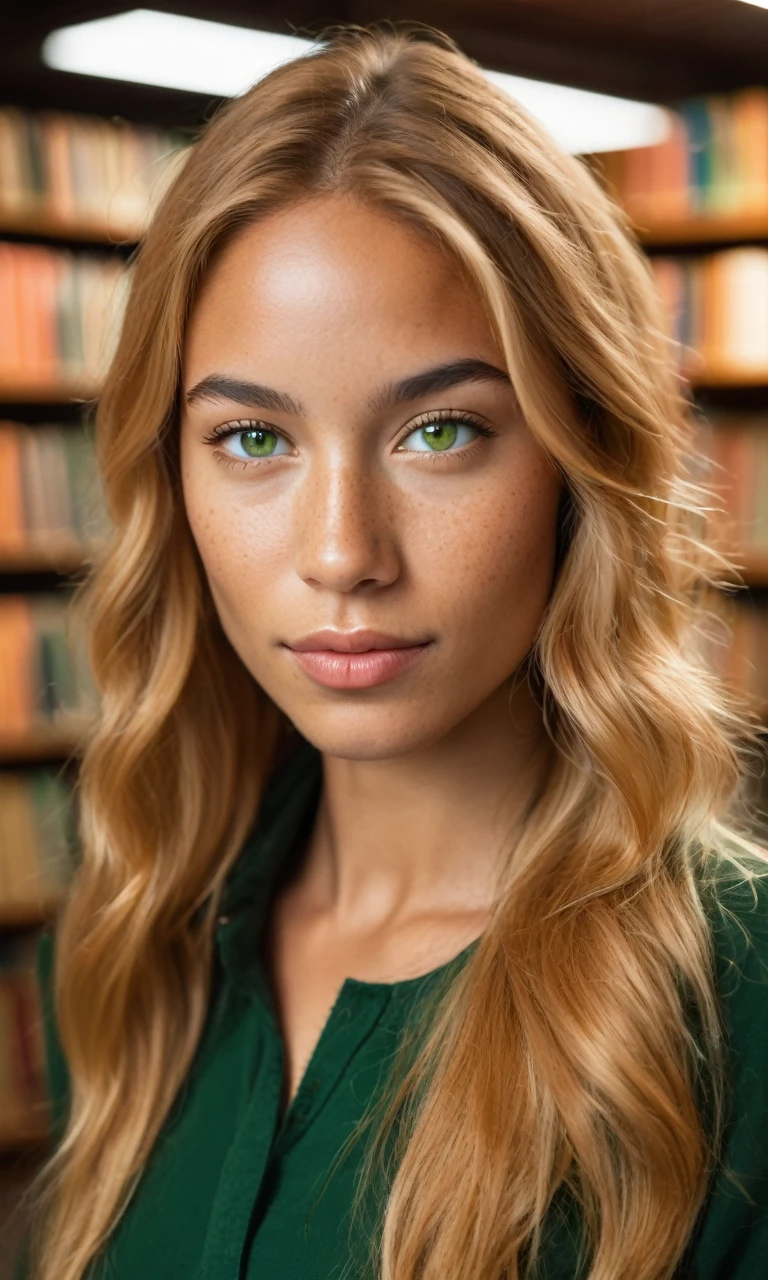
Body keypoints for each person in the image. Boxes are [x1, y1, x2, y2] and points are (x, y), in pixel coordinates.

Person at [16, 21, 768, 1280]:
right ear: (171, 479)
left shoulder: (737, 999)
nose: (342, 551)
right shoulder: (136, 938)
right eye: (255, 439)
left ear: (584, 458)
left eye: (440, 431)